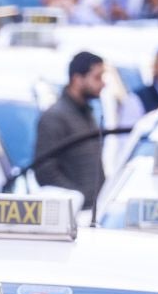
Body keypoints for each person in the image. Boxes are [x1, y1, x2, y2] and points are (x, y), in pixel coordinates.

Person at [32, 51, 108, 207]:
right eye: (97, 77)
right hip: (72, 214)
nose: (103, 84)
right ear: (77, 79)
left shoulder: (86, 113)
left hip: (93, 210)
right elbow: (45, 171)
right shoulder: (55, 117)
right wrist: (76, 199)